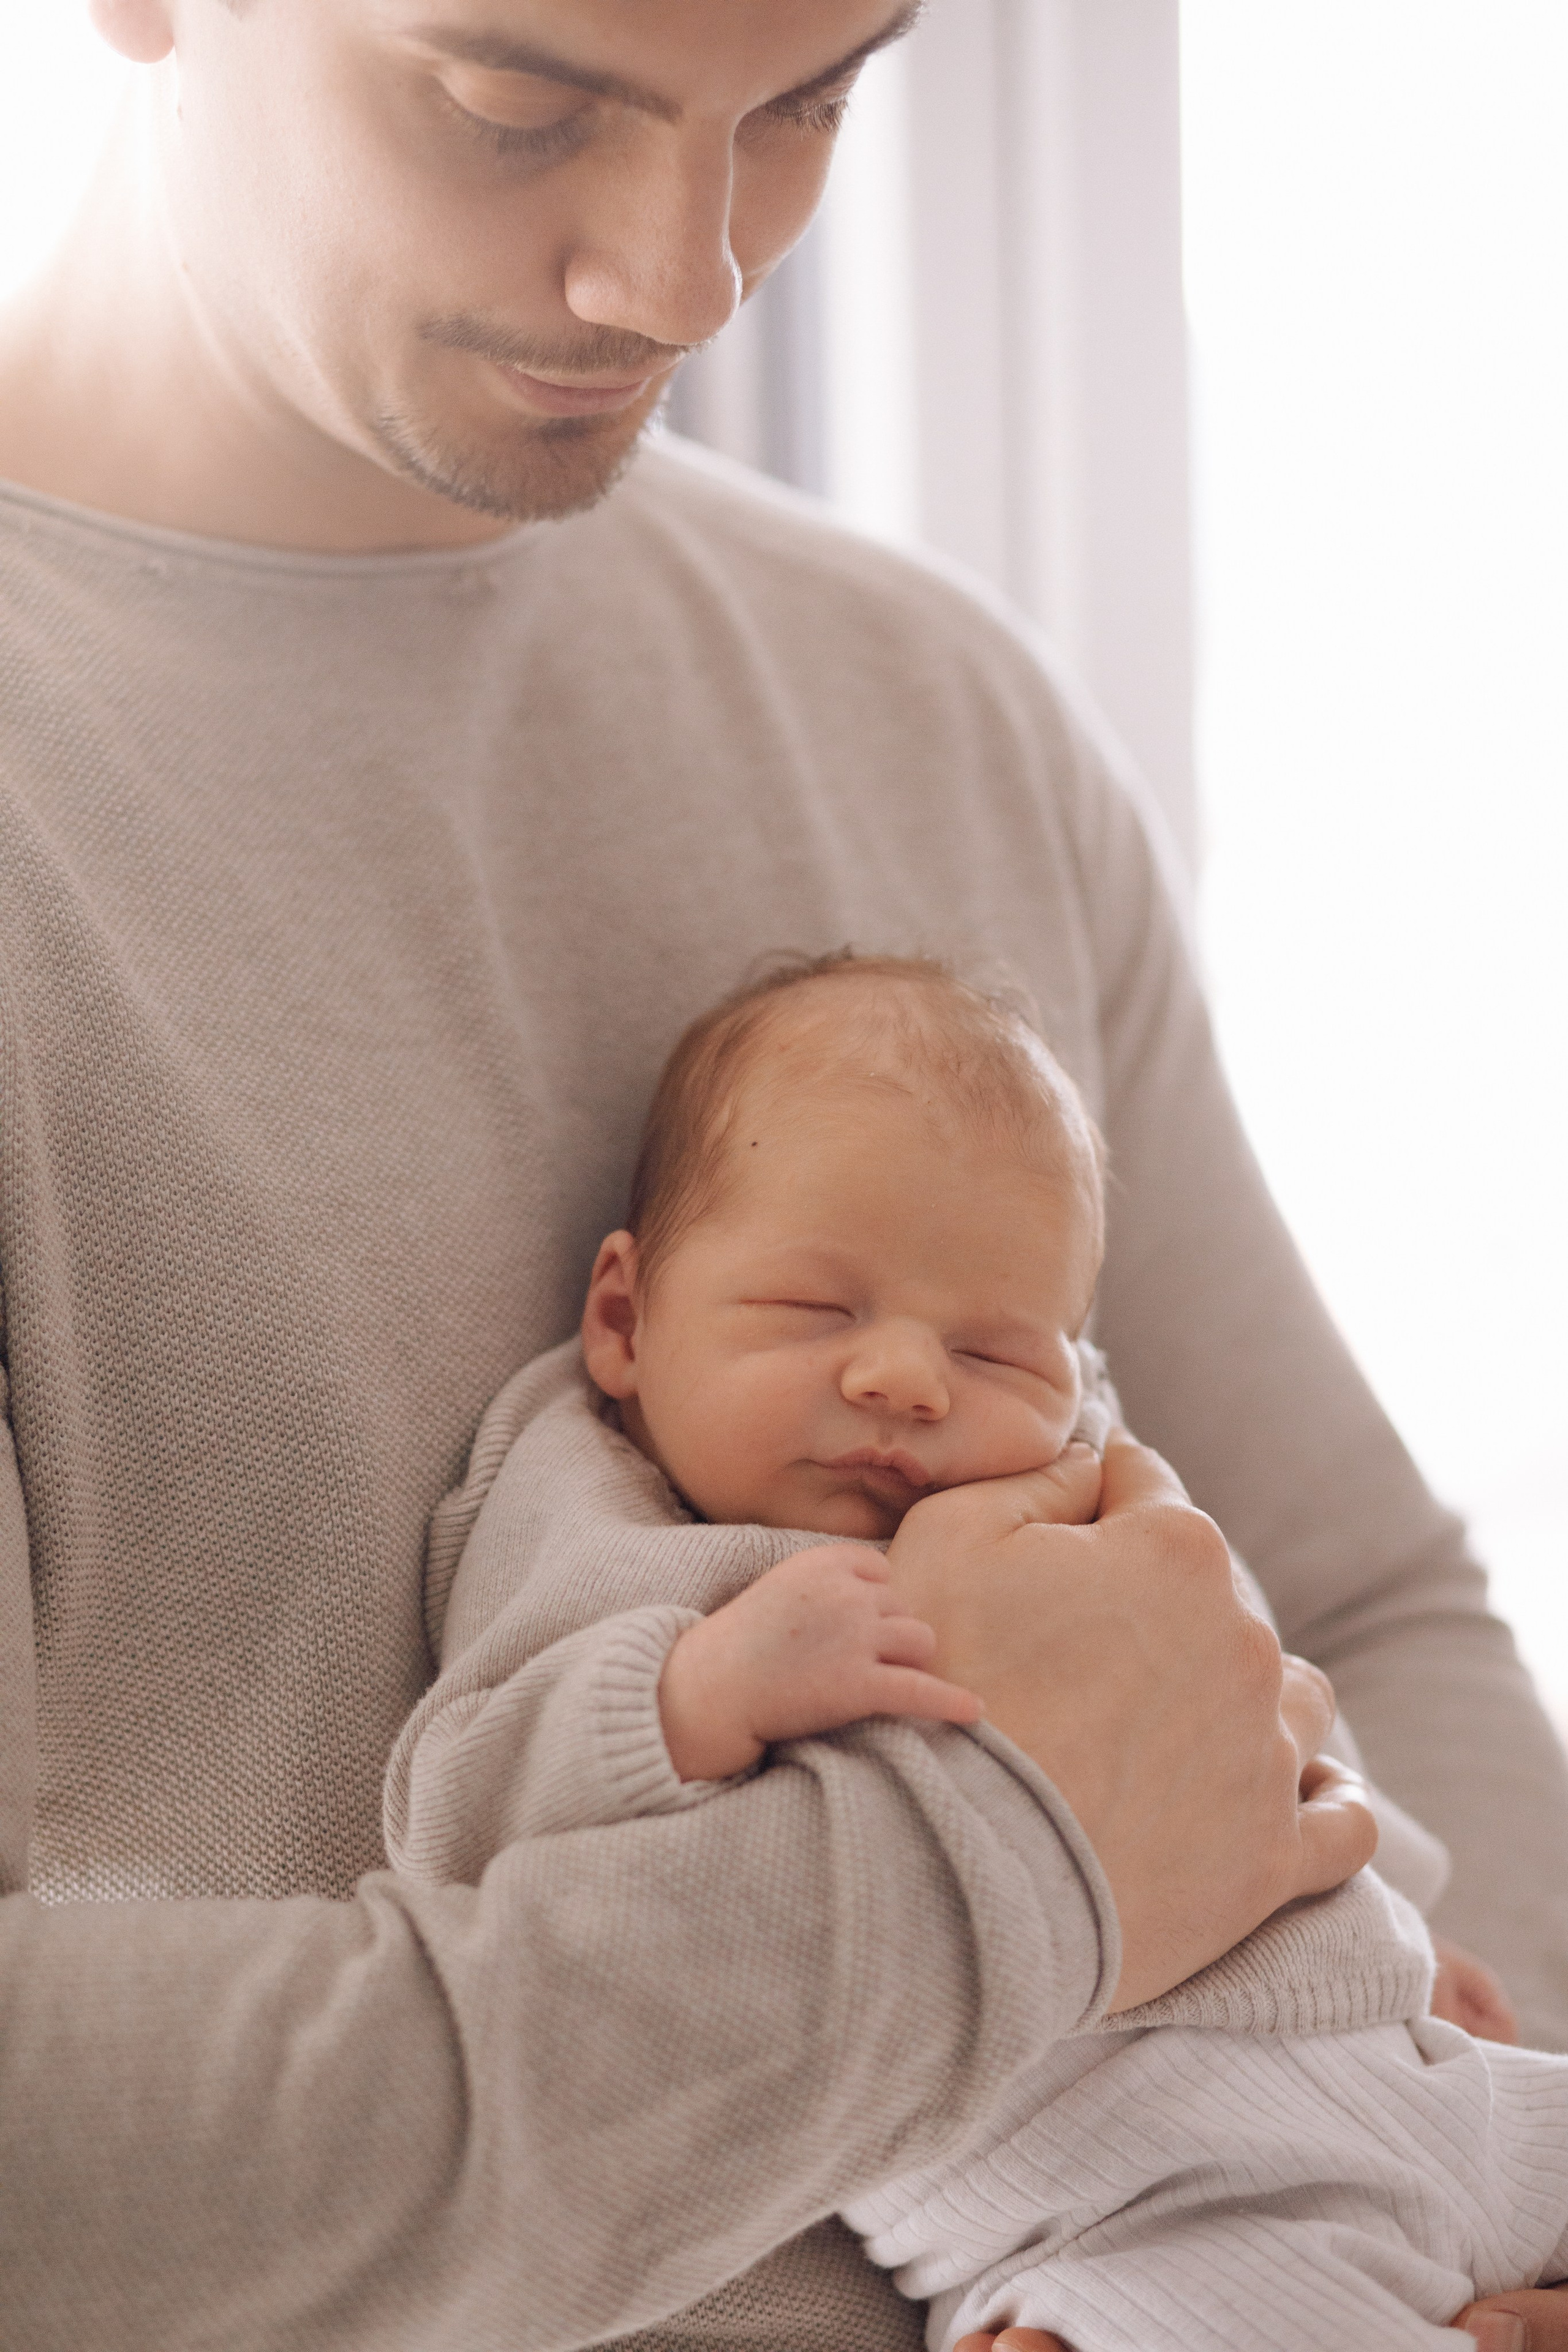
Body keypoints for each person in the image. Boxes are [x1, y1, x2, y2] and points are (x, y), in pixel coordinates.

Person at [0, 2, 1561, 2345]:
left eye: (813, 99)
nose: (691, 277)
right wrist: (998, 1874)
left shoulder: (931, 704)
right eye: (517, 101)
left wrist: (1451, 2200)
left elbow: (1361, 1603)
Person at [388, 952, 1561, 2350]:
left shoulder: (1080, 1482)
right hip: (1138, 2201)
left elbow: (1246, 1684)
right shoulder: (602, 1533)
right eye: (813, 1313)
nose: (906, 1380)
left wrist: (1405, 1910)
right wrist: (697, 1692)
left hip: (1414, 2067)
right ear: (625, 1320)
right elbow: (456, 1805)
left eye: (998, 1355)